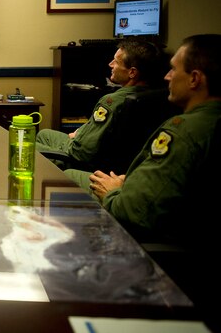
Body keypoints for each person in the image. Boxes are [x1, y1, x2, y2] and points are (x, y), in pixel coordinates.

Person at [65, 34, 221, 327]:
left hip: (161, 245)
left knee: (66, 178)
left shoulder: (185, 131)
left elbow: (135, 212)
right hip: (179, 225)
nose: (167, 76)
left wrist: (113, 193)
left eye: (175, 69)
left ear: (195, 79)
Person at [36, 40, 169, 172]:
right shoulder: (154, 95)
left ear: (132, 73)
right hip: (114, 161)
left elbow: (82, 152)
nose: (110, 64)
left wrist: (75, 138)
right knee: (44, 134)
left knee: (22, 148)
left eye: (116, 62)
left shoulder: (111, 101)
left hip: (80, 161)